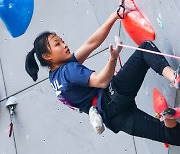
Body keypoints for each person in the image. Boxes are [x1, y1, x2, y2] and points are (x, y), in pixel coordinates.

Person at [25, 4, 180, 146]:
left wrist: (115, 15)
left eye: (62, 41)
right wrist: (112, 58)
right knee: (145, 50)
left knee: (172, 136)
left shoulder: (55, 78)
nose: (65, 45)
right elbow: (101, 82)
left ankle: (169, 118)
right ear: (47, 56)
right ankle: (174, 77)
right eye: (57, 44)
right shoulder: (68, 71)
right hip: (112, 97)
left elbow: (91, 43)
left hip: (114, 118)